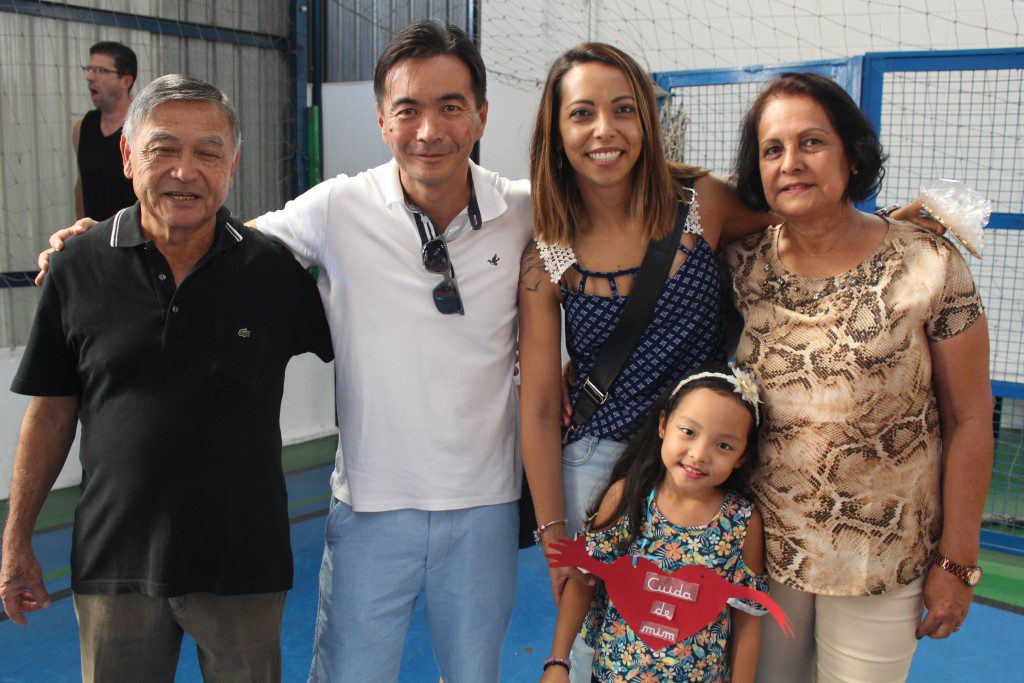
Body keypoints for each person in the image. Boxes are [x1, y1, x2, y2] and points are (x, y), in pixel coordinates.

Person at [35, 21, 528, 681]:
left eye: (451, 107)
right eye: (409, 108)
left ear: (481, 116)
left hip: (486, 505)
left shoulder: (526, 211)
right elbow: (212, 240)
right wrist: (103, 243)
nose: (429, 130)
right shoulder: (337, 207)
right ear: (382, 120)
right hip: (370, 507)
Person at [0, 74, 333, 682]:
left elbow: (367, 350)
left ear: (232, 165)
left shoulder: (272, 272)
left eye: (208, 152)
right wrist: (16, 539)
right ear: (129, 157)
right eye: (164, 149)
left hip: (243, 566)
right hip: (113, 565)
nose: (186, 170)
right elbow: (49, 413)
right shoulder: (77, 266)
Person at [725, 72, 993, 682]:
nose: (791, 162)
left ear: (852, 155)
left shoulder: (928, 262)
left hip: (883, 558)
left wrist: (958, 562)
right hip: (761, 551)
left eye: (812, 142)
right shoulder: (739, 265)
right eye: (772, 149)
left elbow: (971, 418)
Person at [541, 365, 768, 683]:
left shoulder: (742, 522)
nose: (699, 454)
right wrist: (557, 661)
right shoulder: (627, 497)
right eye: (689, 432)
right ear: (664, 424)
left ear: (742, 456)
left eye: (724, 446)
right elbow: (583, 580)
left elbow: (748, 618)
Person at [74, 41, 138, 220]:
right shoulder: (83, 128)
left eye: (100, 70)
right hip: (96, 234)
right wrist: (82, 231)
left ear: (125, 81)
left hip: (134, 235)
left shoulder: (144, 127)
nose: (89, 77)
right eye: (89, 69)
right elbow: (81, 186)